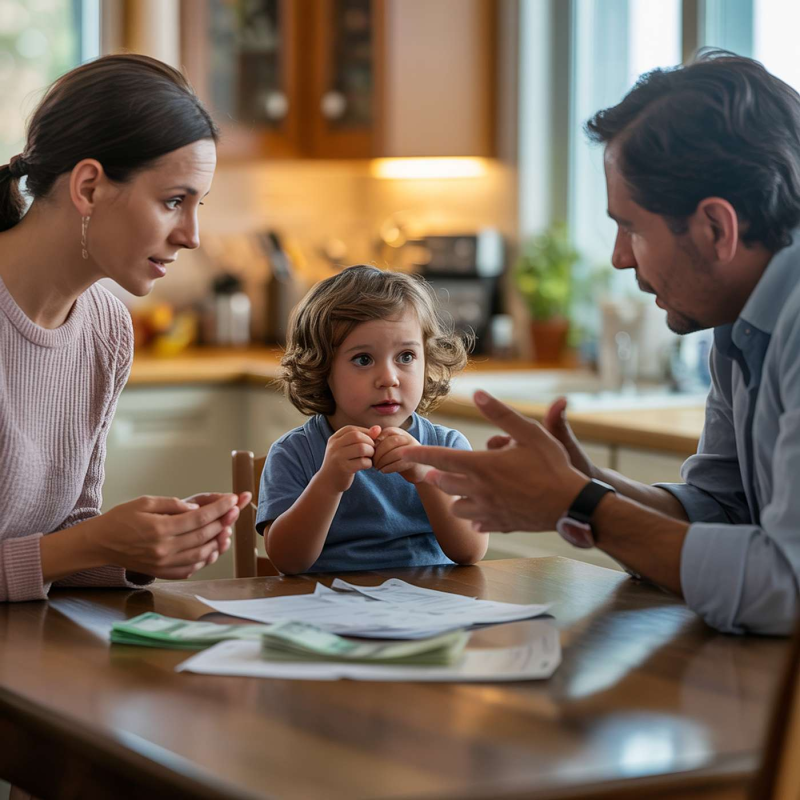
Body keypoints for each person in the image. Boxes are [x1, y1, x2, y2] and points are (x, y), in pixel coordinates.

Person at [401, 52, 800, 636]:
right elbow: (725, 513)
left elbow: (784, 587)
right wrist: (584, 482)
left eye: (632, 227)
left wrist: (577, 504)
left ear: (717, 228)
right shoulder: (738, 324)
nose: (618, 258)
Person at [0, 54, 250, 603]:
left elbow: (64, 544)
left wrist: (140, 547)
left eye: (197, 204)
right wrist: (89, 544)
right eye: (173, 202)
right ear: (88, 187)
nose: (192, 236)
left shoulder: (108, 330)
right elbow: (61, 551)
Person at [256, 265, 487, 574]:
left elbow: (470, 551)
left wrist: (427, 475)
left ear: (427, 360)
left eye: (406, 357)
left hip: (429, 611)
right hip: (327, 609)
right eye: (363, 359)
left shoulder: (446, 447)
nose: (388, 378)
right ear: (322, 369)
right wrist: (328, 483)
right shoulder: (295, 453)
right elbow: (287, 562)